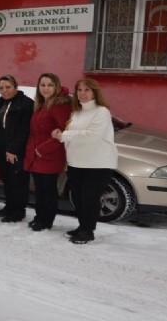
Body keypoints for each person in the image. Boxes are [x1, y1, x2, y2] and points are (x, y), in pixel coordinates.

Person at [52, 78, 117, 244]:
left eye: (87, 90)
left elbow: (93, 135)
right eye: (80, 90)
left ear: (95, 92)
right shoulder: (76, 112)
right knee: (79, 198)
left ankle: (88, 231)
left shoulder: (101, 111)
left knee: (90, 199)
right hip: (76, 163)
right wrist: (62, 134)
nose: (83, 94)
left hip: (97, 164)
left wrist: (64, 136)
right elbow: (73, 135)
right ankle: (82, 226)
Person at [23, 73, 72, 231]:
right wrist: (33, 151)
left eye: (50, 85)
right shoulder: (41, 104)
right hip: (37, 155)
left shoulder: (60, 105)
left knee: (48, 190)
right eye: (43, 85)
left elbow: (63, 133)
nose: (46, 88)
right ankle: (39, 217)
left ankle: (46, 221)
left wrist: (40, 150)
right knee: (39, 190)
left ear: (56, 86)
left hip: (50, 155)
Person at [0, 75, 34, 223]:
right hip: (2, 148)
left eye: (8, 87)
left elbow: (24, 129)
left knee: (18, 181)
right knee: (7, 180)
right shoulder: (0, 103)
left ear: (16, 87)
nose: (5, 91)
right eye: (1, 88)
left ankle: (18, 211)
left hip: (16, 150)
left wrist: (13, 149)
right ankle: (9, 206)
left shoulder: (25, 104)